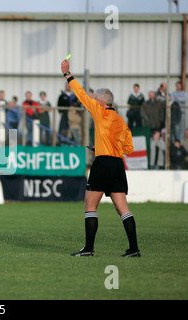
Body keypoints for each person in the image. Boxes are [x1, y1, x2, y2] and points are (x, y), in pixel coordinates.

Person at [61, 58, 140, 258]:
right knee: (122, 208)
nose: (93, 100)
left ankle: (88, 249)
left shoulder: (100, 112)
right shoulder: (121, 121)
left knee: (89, 206)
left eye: (96, 99)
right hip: (117, 165)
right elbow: (128, 147)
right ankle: (134, 249)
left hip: (103, 163)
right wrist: (104, 147)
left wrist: (67, 74)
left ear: (102, 103)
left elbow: (81, 95)